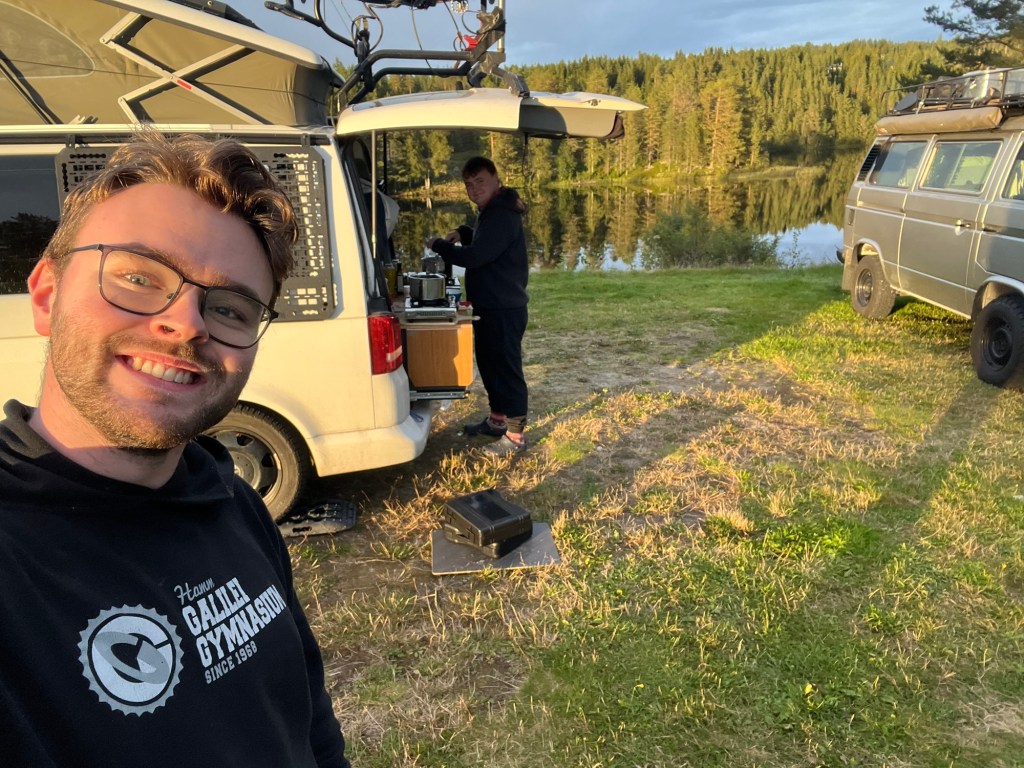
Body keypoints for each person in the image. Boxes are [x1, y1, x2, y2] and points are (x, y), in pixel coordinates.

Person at [0, 132, 350, 768]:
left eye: (231, 309)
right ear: (47, 295)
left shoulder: (235, 503)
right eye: (138, 277)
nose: (186, 324)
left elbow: (310, 722)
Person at [429, 156, 529, 454]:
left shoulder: (502, 214)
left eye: (480, 181)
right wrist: (465, 232)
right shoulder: (492, 210)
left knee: (506, 369)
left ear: (496, 178)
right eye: (469, 184)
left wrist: (440, 246)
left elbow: (476, 257)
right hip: (490, 304)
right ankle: (497, 421)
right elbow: (487, 244)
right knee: (489, 364)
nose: (474, 189)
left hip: (504, 307)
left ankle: (515, 436)